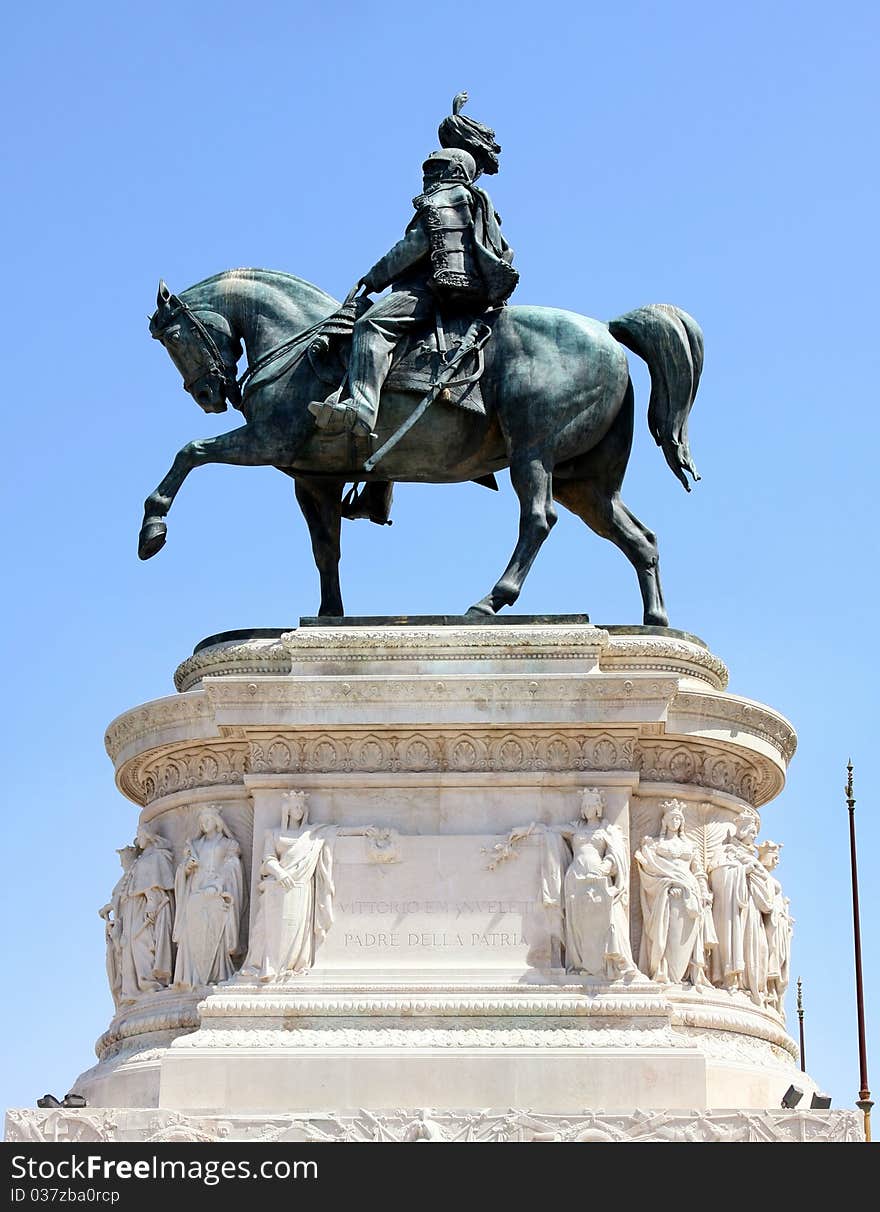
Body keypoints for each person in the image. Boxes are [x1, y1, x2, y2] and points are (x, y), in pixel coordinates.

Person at [309, 146, 517, 439]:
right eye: (426, 169)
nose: (426, 175)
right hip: (461, 291)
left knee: (371, 325)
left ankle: (362, 409)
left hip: (429, 290)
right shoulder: (475, 202)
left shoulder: (447, 197)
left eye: (435, 168)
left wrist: (375, 277)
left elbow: (416, 246)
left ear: (455, 171)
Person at [241, 792, 388, 979]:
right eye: (295, 807)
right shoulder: (274, 834)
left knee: (295, 928)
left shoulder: (313, 834)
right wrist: (280, 873)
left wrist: (362, 829)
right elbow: (268, 859)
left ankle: (290, 966)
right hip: (279, 887)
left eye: (302, 807)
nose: (299, 810)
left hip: (301, 887)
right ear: (286, 810)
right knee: (274, 929)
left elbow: (338, 832)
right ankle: (271, 968)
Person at [504, 788, 638, 978]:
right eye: (585, 805)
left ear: (599, 808)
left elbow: (615, 855)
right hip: (575, 878)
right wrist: (527, 830)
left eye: (592, 805)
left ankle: (602, 965)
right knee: (577, 925)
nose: (588, 809)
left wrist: (605, 867)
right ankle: (581, 964)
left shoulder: (607, 830)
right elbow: (549, 831)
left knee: (603, 922)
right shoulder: (575, 828)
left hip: (598, 878)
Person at [634, 800, 716, 987]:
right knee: (668, 936)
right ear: (665, 820)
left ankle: (685, 975)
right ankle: (666, 974)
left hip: (690, 897)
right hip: (668, 897)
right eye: (672, 817)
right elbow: (651, 870)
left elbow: (699, 872)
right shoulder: (655, 844)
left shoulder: (690, 846)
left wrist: (703, 891)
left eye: (678, 818)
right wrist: (667, 885)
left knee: (684, 939)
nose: (675, 821)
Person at [172, 806, 245, 989]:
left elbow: (233, 865)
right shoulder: (195, 845)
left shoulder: (227, 844)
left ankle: (216, 975)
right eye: (202, 821)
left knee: (215, 936)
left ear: (217, 822)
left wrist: (218, 885)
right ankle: (191, 978)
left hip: (215, 895)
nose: (205, 824)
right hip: (195, 894)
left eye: (208, 819)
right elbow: (183, 871)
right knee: (190, 934)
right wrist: (187, 867)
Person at [117, 826, 176, 1003]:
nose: (138, 840)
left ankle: (148, 982)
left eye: (140, 835)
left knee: (141, 942)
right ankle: (134, 988)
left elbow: (154, 885)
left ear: (148, 836)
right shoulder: (143, 859)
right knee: (131, 945)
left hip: (146, 908)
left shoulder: (155, 857)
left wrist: (151, 904)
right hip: (135, 909)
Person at [99, 845, 136, 1008]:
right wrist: (110, 908)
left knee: (132, 957)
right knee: (123, 961)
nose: (122, 864)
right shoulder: (126, 878)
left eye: (124, 860)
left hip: (133, 925)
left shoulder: (136, 875)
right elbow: (119, 900)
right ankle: (130, 992)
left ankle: (135, 989)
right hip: (123, 928)